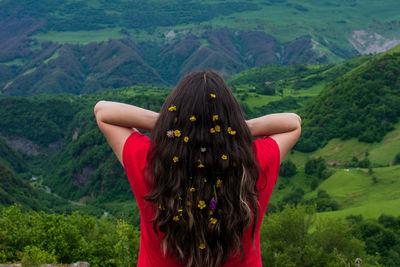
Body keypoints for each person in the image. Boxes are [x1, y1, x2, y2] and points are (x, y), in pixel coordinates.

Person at [94, 70, 301, 267]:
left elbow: (103, 111)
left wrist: (174, 124)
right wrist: (233, 128)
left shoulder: (151, 162)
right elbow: (293, 123)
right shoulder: (254, 163)